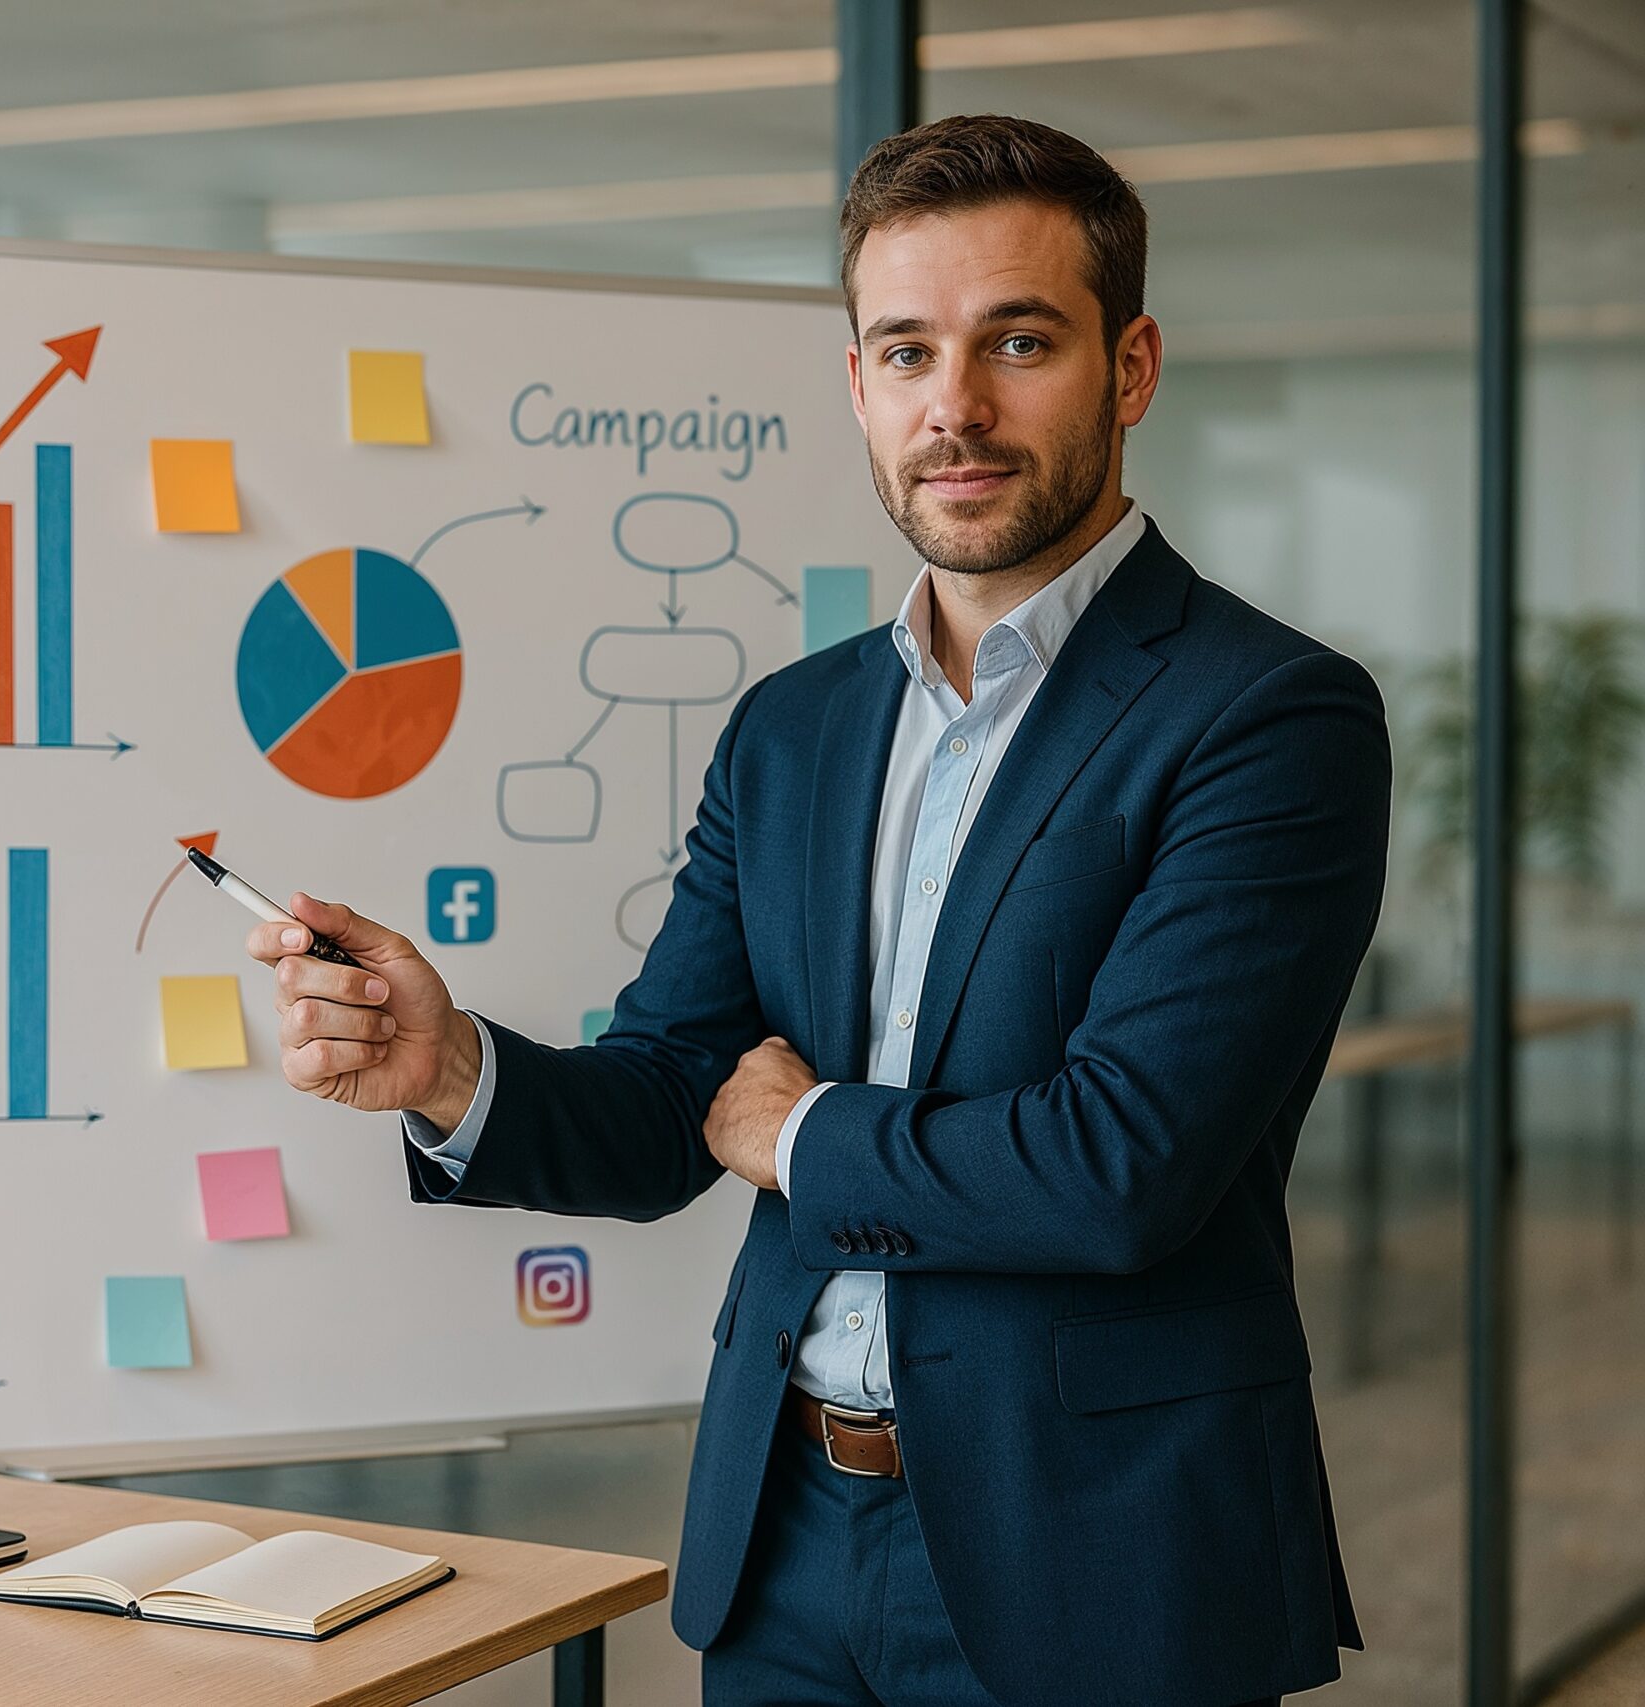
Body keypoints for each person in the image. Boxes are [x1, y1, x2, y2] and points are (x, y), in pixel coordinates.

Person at [246, 114, 1386, 1707]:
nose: (955, 407)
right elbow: (677, 1095)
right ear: (858, 384)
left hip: (1094, 1556)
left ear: (1129, 369)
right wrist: (451, 1070)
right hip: (783, 1543)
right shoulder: (795, 728)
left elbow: (1122, 1164)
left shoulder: (1264, 716)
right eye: (908, 352)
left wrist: (800, 1137)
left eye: (1020, 343)